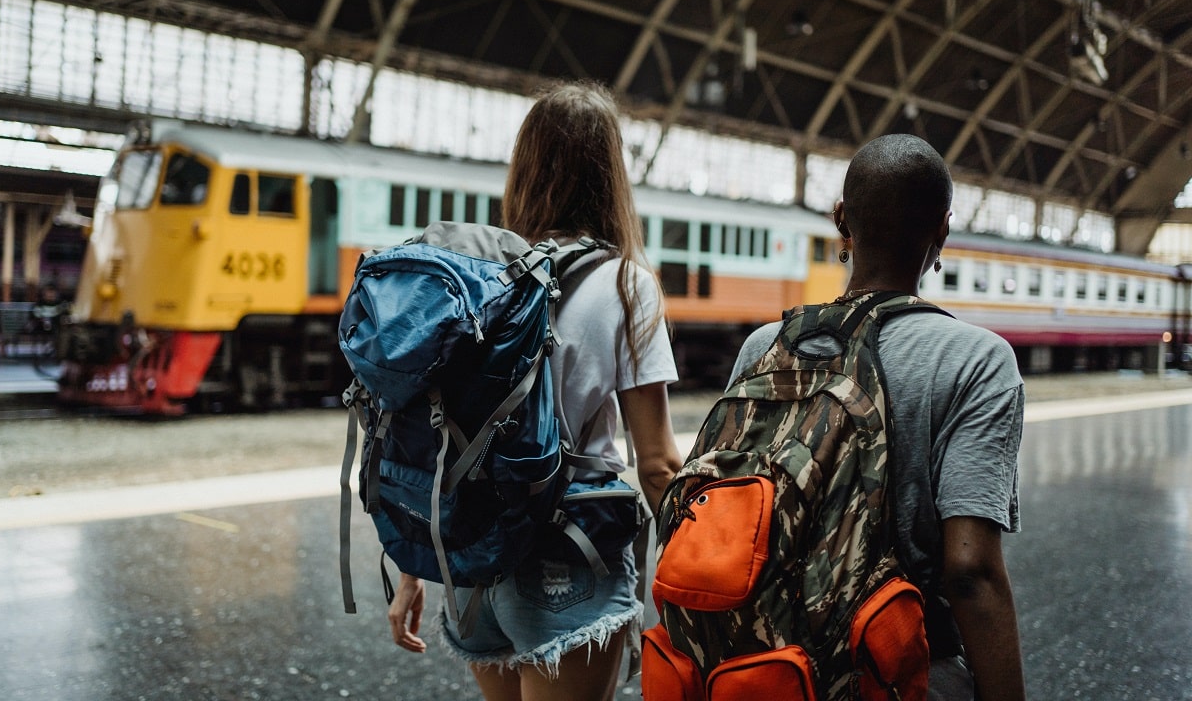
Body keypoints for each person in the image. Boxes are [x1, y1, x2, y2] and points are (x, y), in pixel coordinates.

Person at [387, 82, 685, 701]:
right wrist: (703, 577)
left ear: (524, 167)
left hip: (471, 559)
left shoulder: (481, 277)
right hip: (568, 555)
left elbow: (420, 425)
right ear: (610, 175)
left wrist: (413, 566)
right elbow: (656, 462)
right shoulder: (626, 283)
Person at [727, 134, 1026, 701]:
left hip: (765, 672)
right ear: (942, 229)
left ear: (842, 220)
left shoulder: (765, 347)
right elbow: (970, 571)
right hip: (898, 670)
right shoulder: (980, 361)